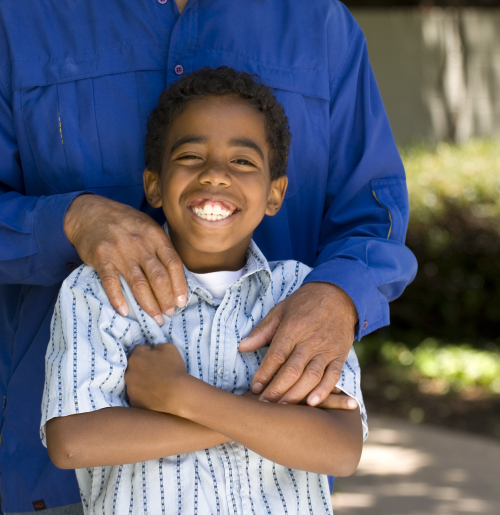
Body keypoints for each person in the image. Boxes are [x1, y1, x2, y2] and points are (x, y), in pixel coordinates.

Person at [0, 0, 416, 514]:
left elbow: (374, 214)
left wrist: (342, 298)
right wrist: (70, 221)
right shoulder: (13, 17)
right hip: (46, 482)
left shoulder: (321, 29)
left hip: (269, 489)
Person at [42, 67, 367, 514]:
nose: (215, 174)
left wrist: (180, 396)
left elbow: (339, 450)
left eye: (243, 161)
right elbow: (72, 443)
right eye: (191, 156)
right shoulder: (100, 288)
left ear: (275, 194)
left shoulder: (302, 293)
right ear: (153, 184)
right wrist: (268, 419)